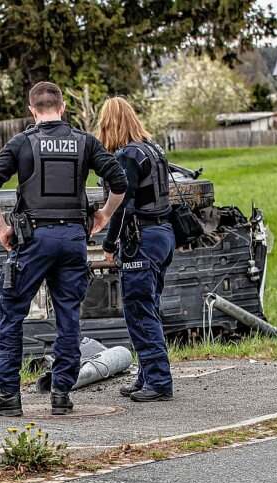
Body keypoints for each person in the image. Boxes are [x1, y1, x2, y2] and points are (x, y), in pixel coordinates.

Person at [0, 81, 126, 416]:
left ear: (32, 110)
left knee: (11, 312)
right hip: (74, 239)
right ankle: (61, 393)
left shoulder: (22, 143)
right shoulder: (85, 143)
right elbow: (120, 182)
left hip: (33, 240)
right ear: (62, 109)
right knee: (68, 316)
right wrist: (103, 215)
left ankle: (7, 397)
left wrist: (2, 228)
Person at [94, 96, 175, 402]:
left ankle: (158, 382)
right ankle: (145, 376)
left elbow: (123, 206)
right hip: (163, 234)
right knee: (149, 307)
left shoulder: (127, 155)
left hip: (141, 240)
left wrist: (110, 243)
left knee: (139, 311)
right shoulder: (154, 149)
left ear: (109, 124)